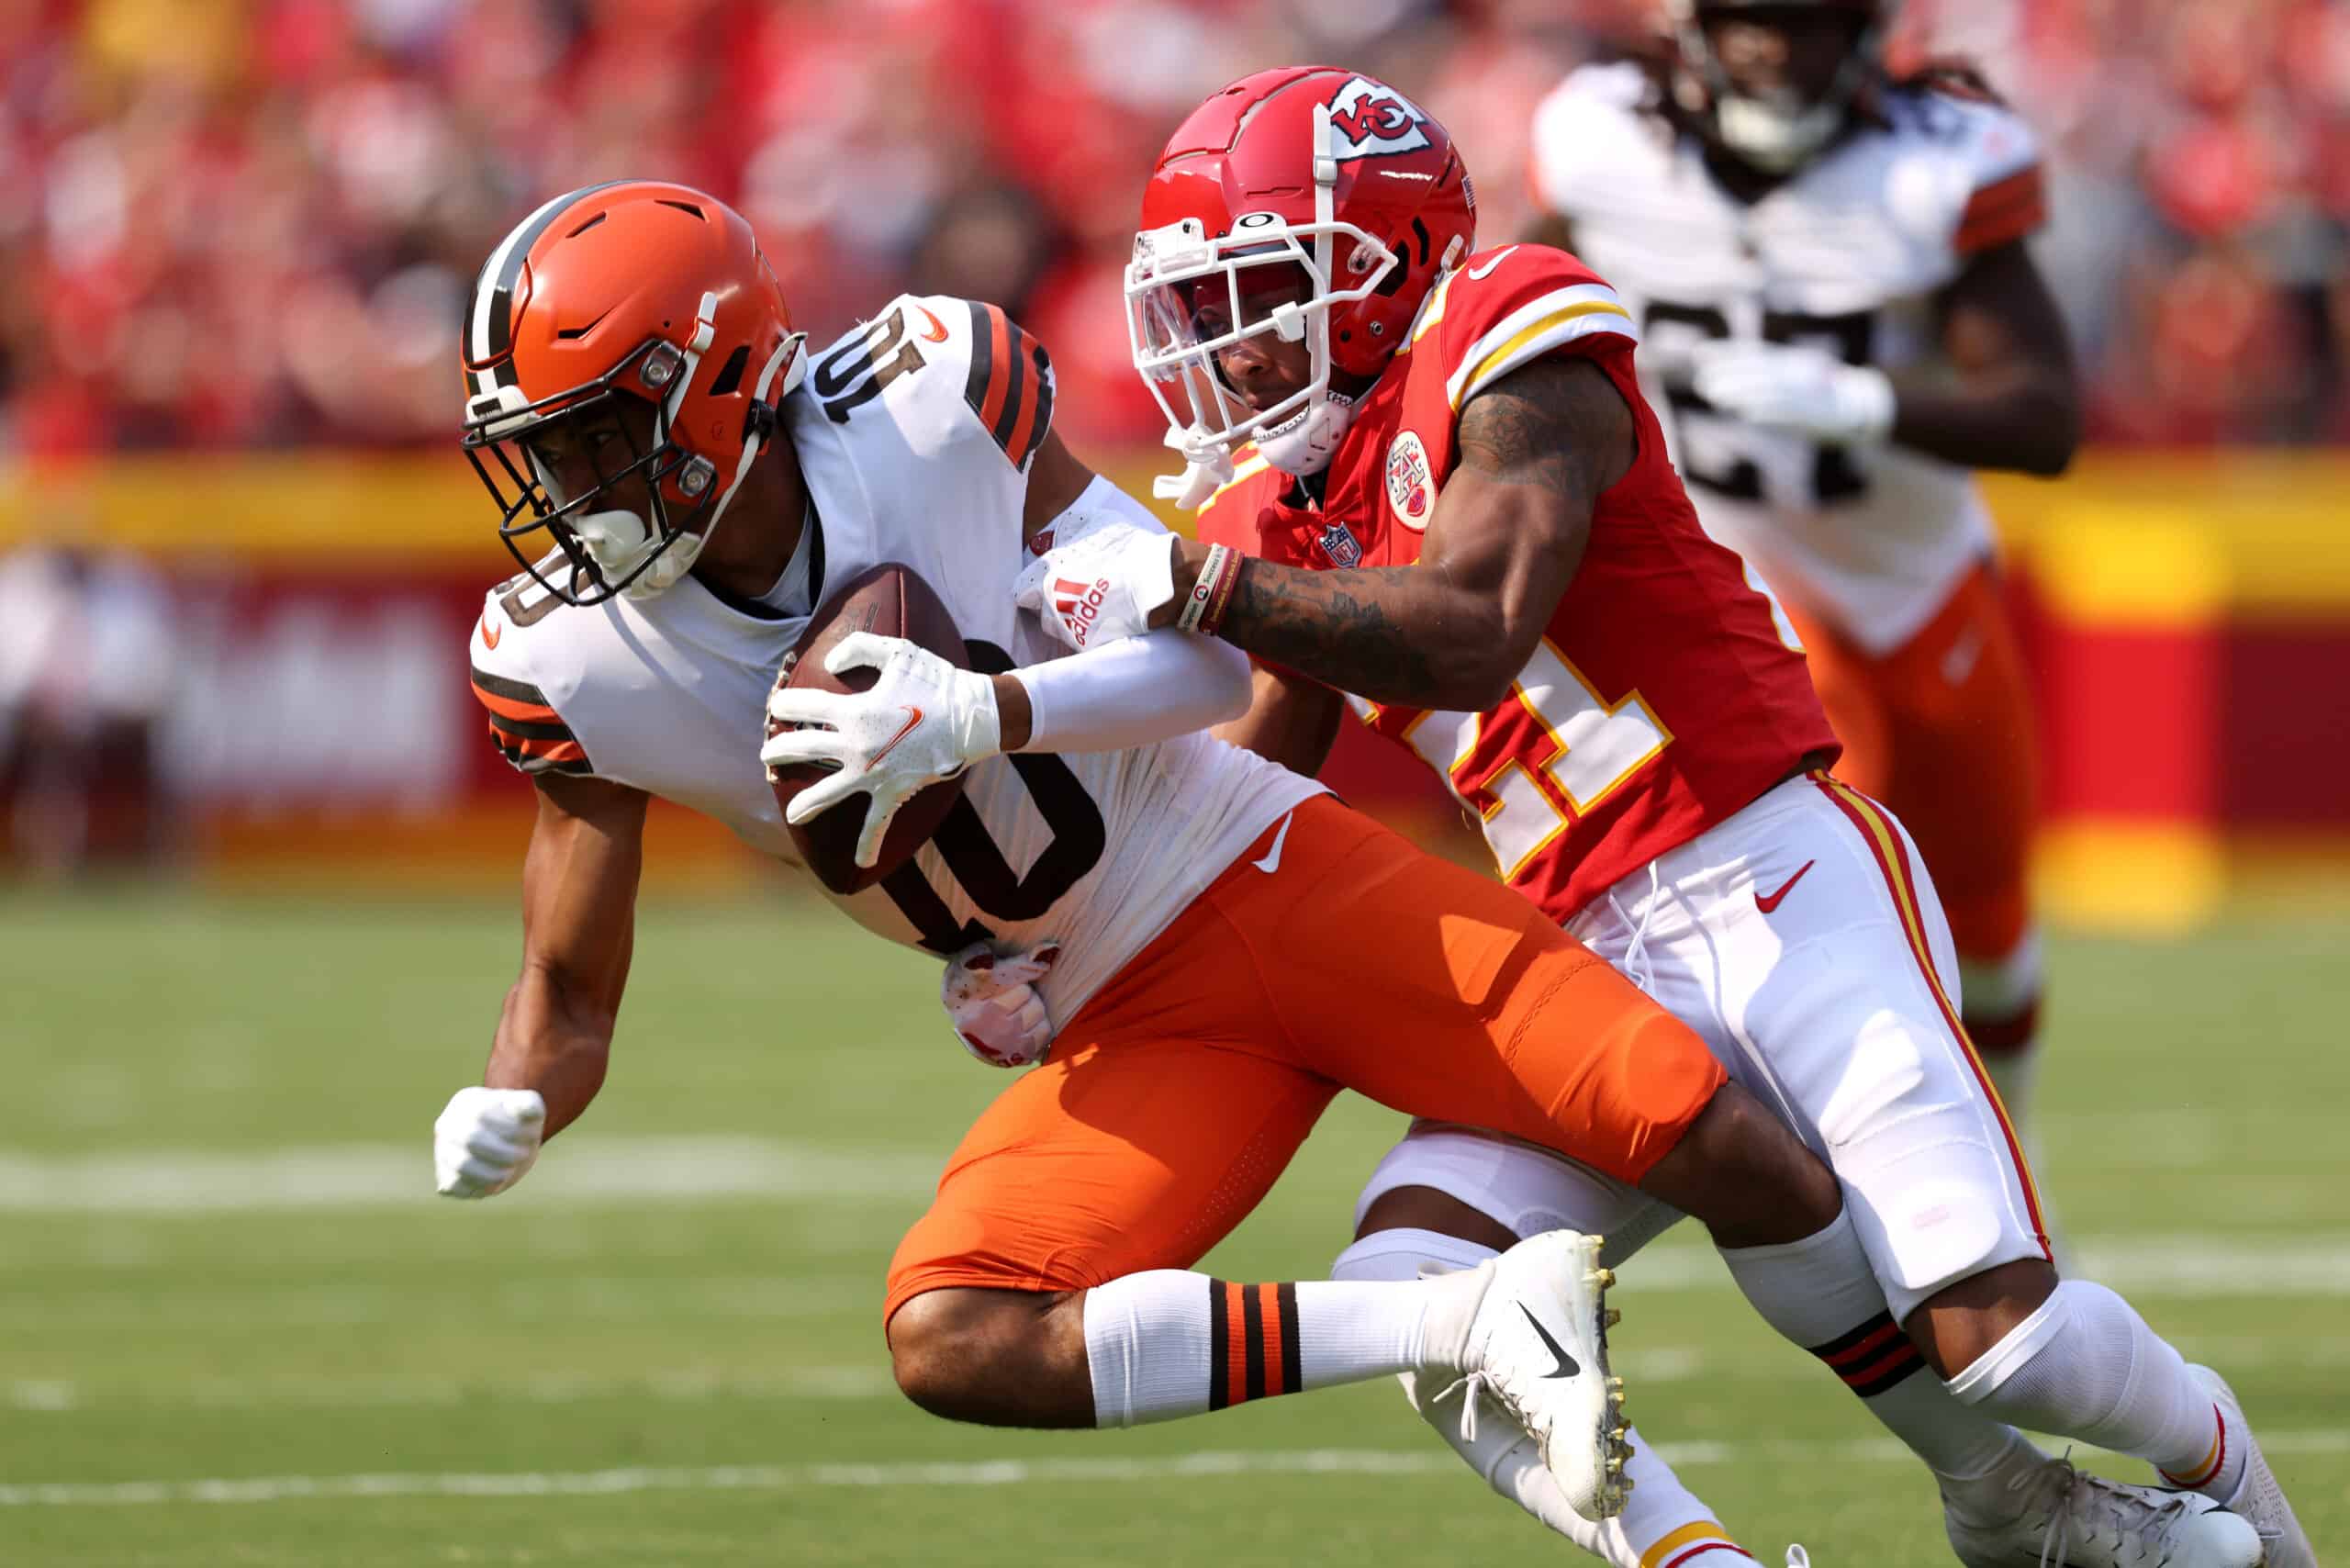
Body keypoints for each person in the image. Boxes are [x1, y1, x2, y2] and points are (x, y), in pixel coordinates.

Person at [1016, 64, 2300, 1568]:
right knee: (1437, 1304)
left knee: (2003, 1341)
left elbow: (1477, 622)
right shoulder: (1270, 512)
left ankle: (2249, 1508)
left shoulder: (1510, 324)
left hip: (1771, 868)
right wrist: (1040, 928)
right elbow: (1234, 803)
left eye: (1258, 291)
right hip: (1581, 950)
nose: (1227, 353)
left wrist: (1197, 586)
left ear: (1374, 264)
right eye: (1206, 306)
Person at [426, 179, 1856, 1527]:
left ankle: (1998, 1479)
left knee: (1729, 1149)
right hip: (1111, 1017)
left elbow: (1199, 673)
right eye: (539, 446)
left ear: (721, 382)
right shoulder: (568, 660)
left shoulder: (922, 404)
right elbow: (568, 1001)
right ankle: (1476, 1338)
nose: (560, 484)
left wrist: (986, 715)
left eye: (593, 435)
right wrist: (516, 1098)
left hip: (1261, 873)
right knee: (956, 1332)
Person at [1525, 0, 2065, 1160]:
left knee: (1993, 930)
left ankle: (2003, 1157)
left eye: (1809, 20)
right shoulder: (1601, 139)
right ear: (1693, 27)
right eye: (1750, 18)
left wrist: (1861, 403)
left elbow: (2044, 414)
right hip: (1737, 570)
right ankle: (1874, 1190)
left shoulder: (1936, 163)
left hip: (1917, 575)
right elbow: (1504, 329)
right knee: (1838, 882)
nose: (1776, 45)